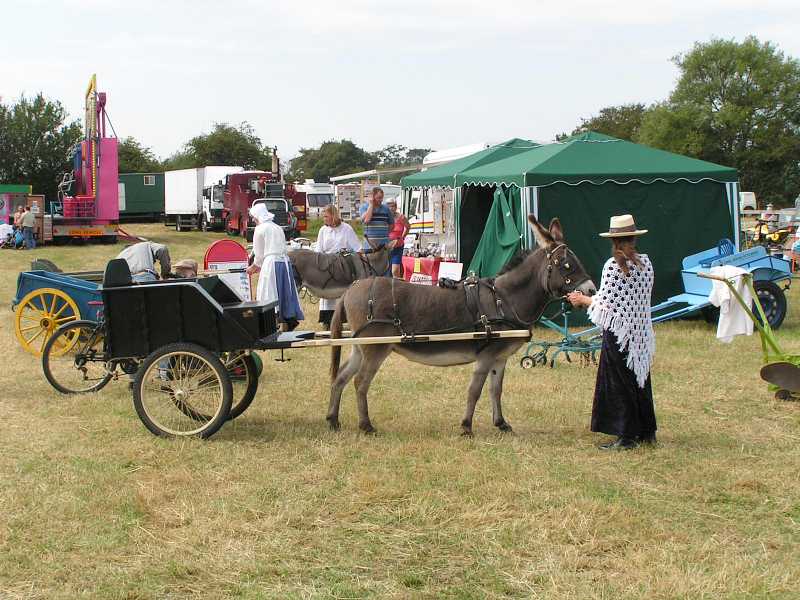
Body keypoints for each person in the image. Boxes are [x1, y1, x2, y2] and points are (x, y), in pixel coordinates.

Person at [566, 214, 656, 450]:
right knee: (641, 381)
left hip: (619, 334)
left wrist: (581, 299)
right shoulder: (646, 264)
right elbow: (624, 300)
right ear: (634, 238)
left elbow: (606, 305)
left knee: (619, 383)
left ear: (613, 240)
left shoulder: (613, 266)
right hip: (639, 332)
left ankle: (626, 436)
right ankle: (647, 431)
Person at [246, 203, 304, 330]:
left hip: (271, 263)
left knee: (269, 292)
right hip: (284, 262)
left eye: (254, 217)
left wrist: (253, 267)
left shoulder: (260, 229)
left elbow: (259, 254)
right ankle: (288, 318)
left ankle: (271, 320)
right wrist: (258, 265)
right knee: (284, 290)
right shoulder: (277, 227)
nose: (253, 220)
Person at [316, 204, 361, 328]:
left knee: (342, 292)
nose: (324, 219)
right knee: (327, 293)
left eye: (326, 216)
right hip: (327, 265)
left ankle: (344, 318)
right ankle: (327, 320)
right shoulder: (323, 230)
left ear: (333, 215)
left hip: (343, 265)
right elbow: (318, 250)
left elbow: (357, 248)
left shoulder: (346, 229)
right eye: (323, 216)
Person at [385, 198, 409, 279]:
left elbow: (408, 227)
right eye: (389, 206)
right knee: (386, 270)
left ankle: (398, 287)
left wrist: (402, 237)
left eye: (393, 206)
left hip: (398, 246)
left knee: (395, 271)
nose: (391, 208)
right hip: (386, 247)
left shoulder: (401, 217)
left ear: (396, 207)